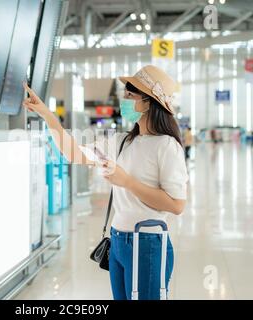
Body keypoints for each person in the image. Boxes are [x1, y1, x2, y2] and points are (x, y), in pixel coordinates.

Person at [22, 65, 188, 300]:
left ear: (149, 102)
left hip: (148, 242)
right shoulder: (120, 142)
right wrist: (48, 116)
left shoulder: (166, 146)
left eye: (131, 95)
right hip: (118, 240)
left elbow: (176, 204)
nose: (124, 101)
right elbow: (73, 153)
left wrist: (127, 181)